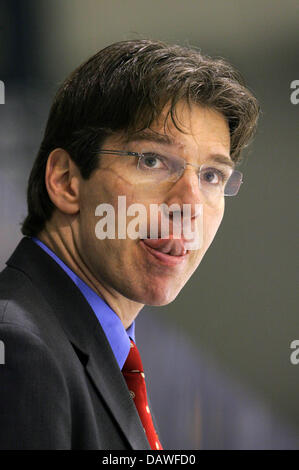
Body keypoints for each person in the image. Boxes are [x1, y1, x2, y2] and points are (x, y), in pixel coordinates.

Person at [0, 39, 259, 450]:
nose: (189, 205)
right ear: (67, 181)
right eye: (152, 161)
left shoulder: (91, 345)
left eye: (211, 176)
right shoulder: (20, 349)